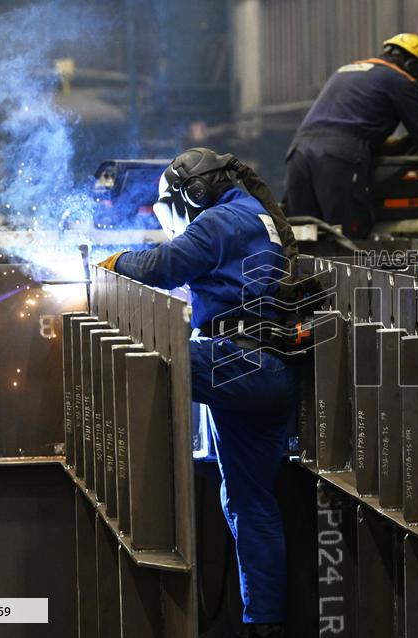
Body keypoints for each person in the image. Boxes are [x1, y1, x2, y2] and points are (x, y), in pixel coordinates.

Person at [99, 148, 300, 638]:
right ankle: (265, 624)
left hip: (239, 362)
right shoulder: (255, 216)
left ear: (194, 192)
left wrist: (111, 263)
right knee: (248, 501)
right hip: (270, 371)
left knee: (152, 349)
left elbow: (163, 268)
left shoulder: (223, 219)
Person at [284, 32, 418, 239]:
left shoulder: (345, 72)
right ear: (412, 65)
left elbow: (339, 128)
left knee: (306, 242)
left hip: (297, 155)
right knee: (349, 245)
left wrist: (393, 146)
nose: (415, 82)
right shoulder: (401, 80)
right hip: (339, 162)